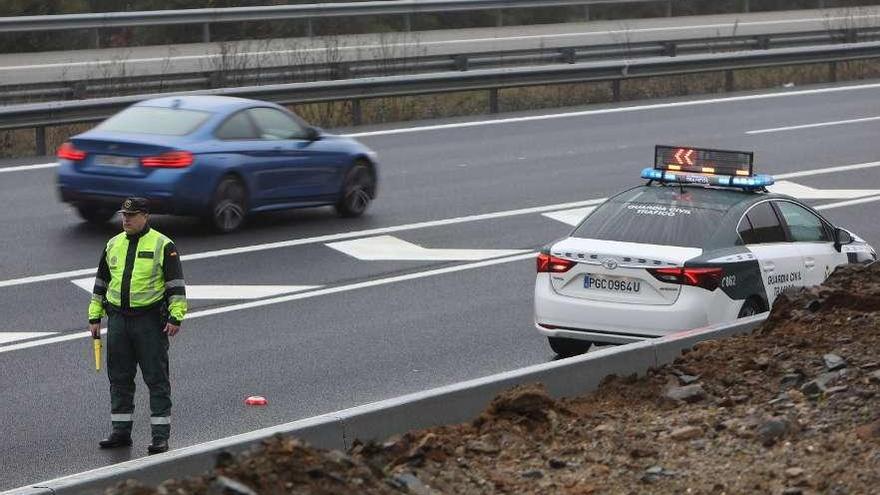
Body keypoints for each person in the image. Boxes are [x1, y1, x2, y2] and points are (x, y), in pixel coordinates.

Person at [87, 197, 187, 455]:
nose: (126, 220)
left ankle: (160, 437)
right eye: (123, 215)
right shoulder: (113, 244)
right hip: (118, 319)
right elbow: (101, 283)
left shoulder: (163, 245)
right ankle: (120, 433)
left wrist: (176, 316)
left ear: (145, 216)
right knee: (119, 377)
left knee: (156, 379)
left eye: (131, 216)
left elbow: (175, 286)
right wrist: (95, 316)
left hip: (149, 322)